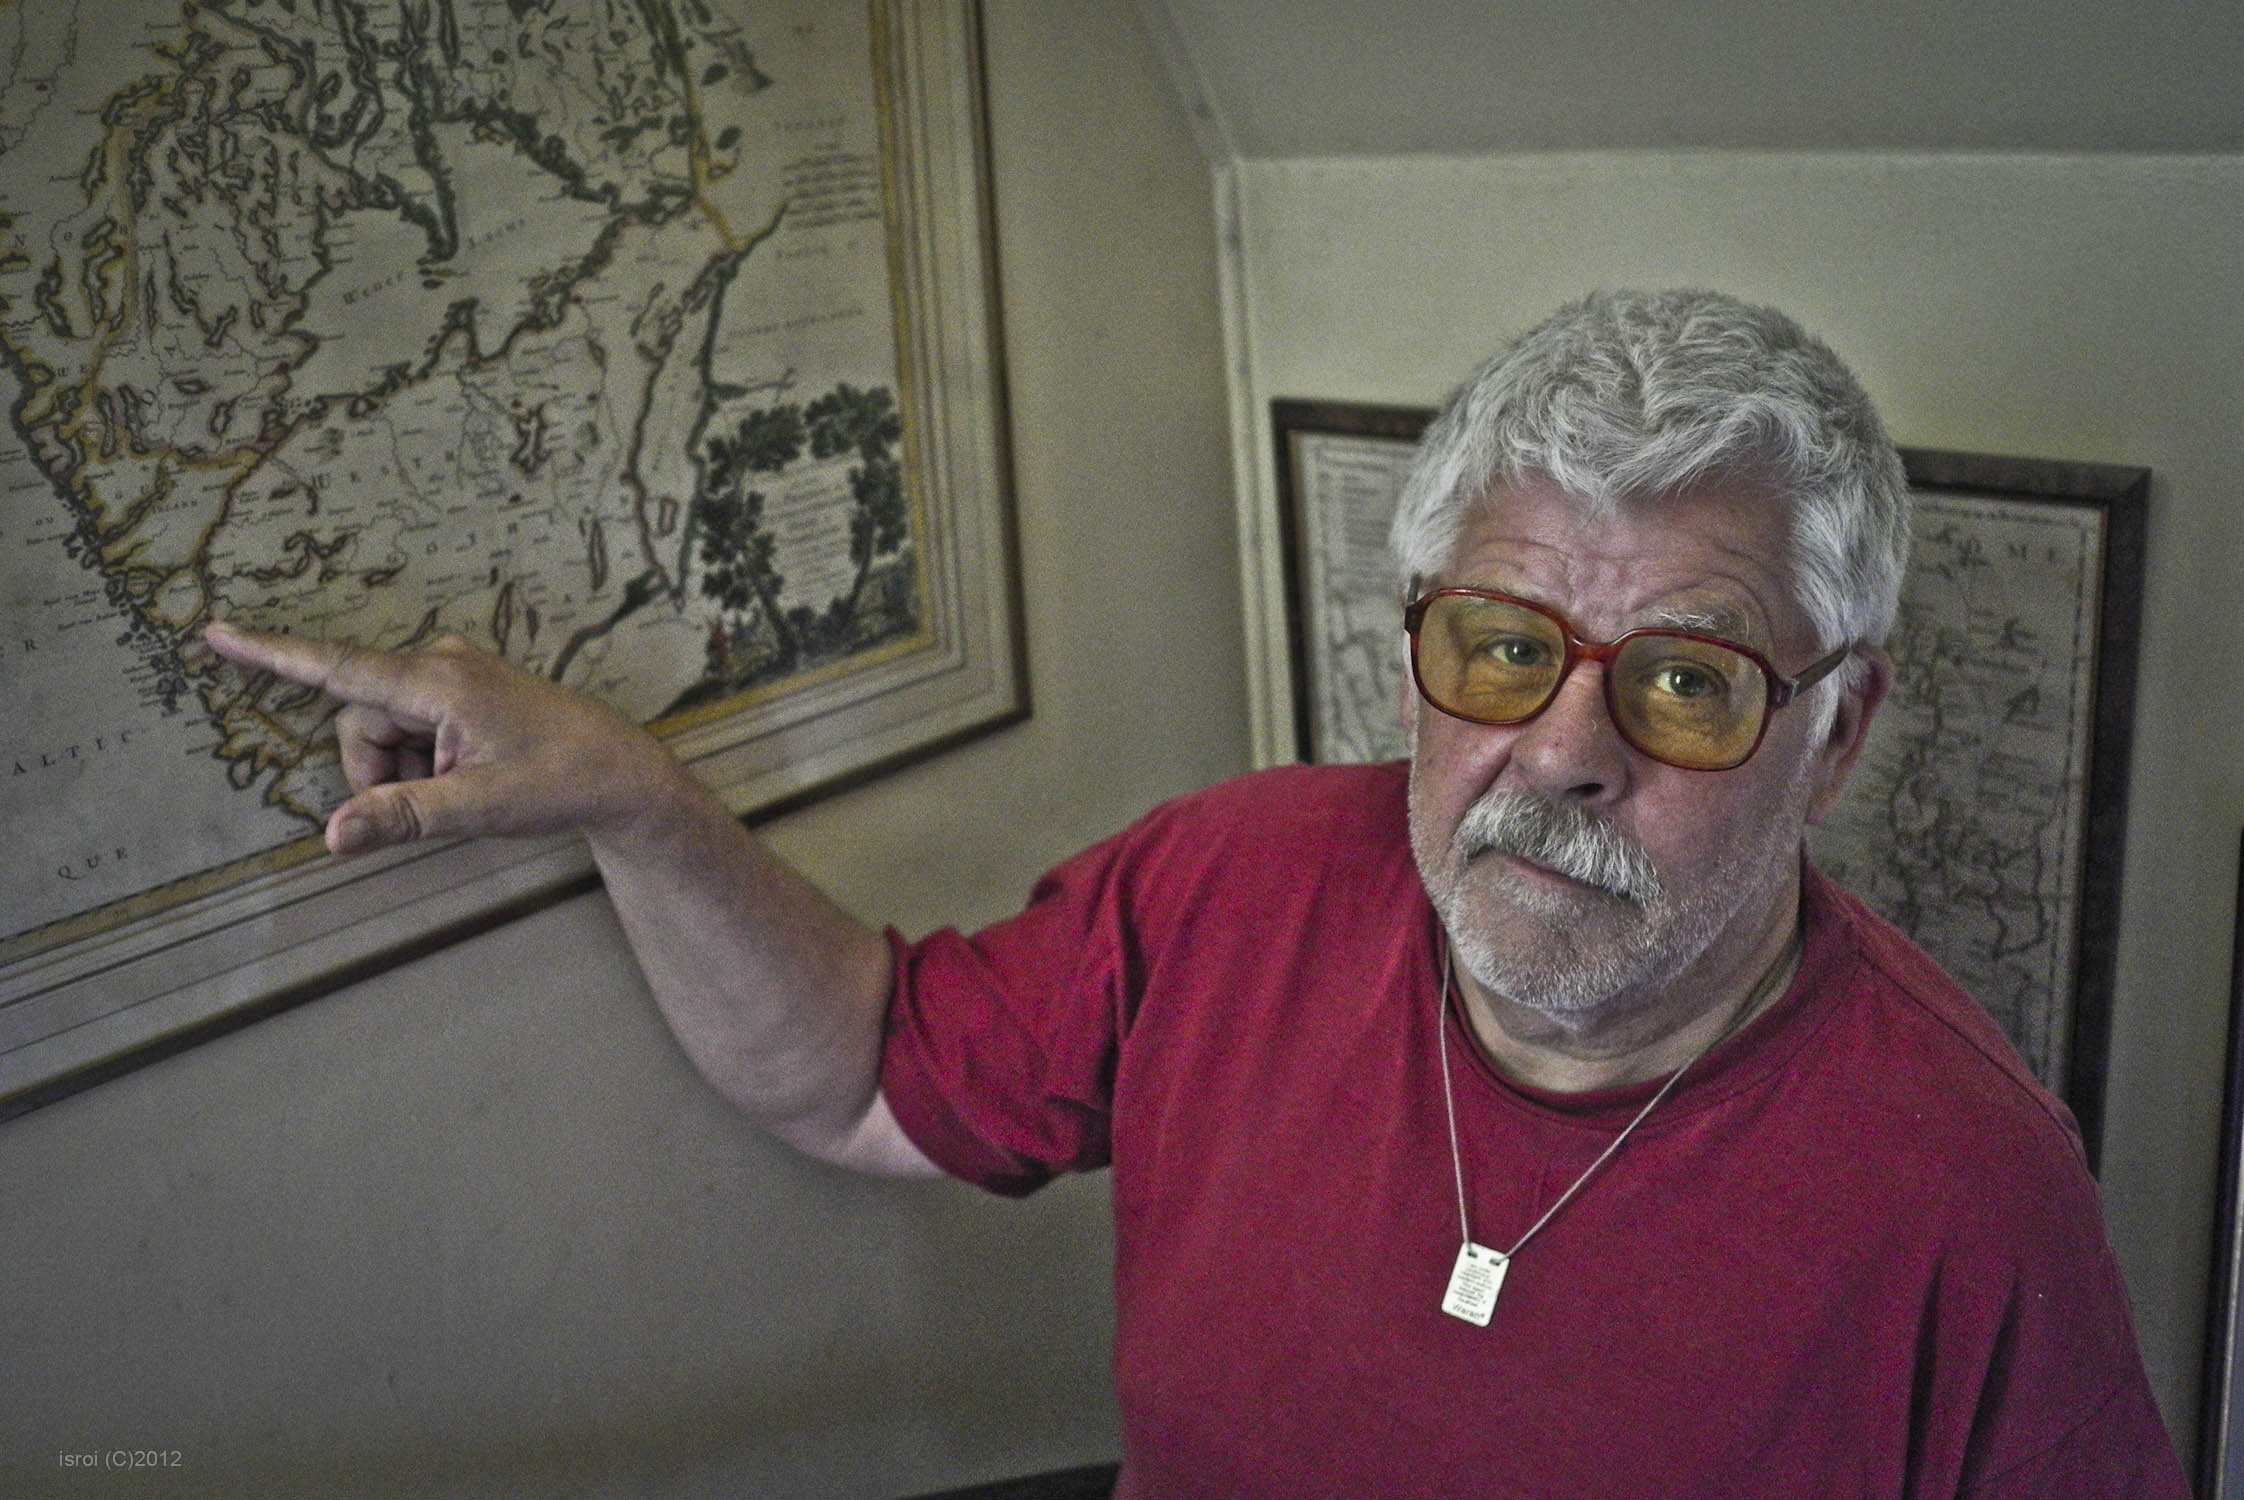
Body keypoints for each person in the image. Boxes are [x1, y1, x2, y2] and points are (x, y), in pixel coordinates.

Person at [205, 289, 2187, 1497]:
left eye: (1684, 682)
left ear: (1834, 737)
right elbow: (866, 1078)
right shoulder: (1235, 882)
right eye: (1503, 649)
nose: (1563, 753)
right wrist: (640, 808)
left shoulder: (1965, 1188)